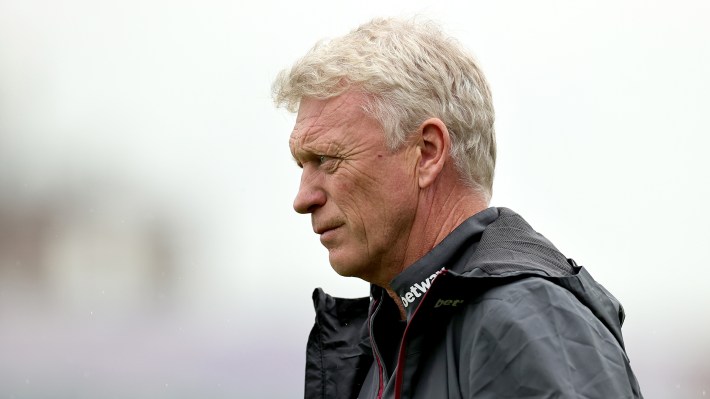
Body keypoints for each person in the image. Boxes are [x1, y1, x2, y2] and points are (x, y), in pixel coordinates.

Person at [273, 17, 643, 399]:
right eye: (303, 165)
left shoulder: (522, 319)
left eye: (328, 159)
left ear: (428, 153)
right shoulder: (396, 331)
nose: (304, 199)